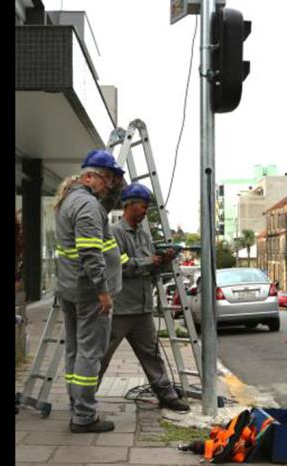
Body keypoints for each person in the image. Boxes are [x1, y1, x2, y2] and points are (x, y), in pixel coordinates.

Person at [99, 183, 190, 412]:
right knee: (102, 356)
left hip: (142, 308)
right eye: (142, 206)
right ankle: (83, 399)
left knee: (151, 354)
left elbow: (151, 270)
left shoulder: (144, 235)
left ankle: (166, 394)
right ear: (129, 205)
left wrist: (164, 260)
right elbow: (118, 266)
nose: (145, 210)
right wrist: (149, 261)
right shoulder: (115, 233)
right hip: (120, 308)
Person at [53, 149, 126, 433]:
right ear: (89, 177)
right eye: (106, 179)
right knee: (90, 353)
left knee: (75, 351)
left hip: (72, 289)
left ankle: (76, 405)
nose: (109, 185)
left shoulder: (73, 200)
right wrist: (103, 292)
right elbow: (90, 253)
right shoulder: (86, 206)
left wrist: (115, 184)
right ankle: (84, 415)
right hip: (89, 293)